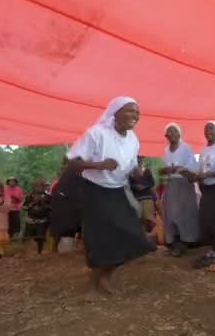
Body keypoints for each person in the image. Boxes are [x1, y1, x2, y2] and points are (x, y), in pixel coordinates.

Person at [66, 96, 156, 300]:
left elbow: (131, 166)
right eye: (129, 110)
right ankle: (91, 288)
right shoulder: (96, 133)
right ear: (114, 113)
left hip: (117, 190)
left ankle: (105, 277)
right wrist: (99, 165)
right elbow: (72, 163)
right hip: (95, 191)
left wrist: (137, 173)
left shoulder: (133, 139)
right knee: (100, 239)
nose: (134, 115)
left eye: (137, 112)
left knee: (134, 237)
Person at [183, 121, 215, 268]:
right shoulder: (203, 150)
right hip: (207, 189)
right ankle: (214, 250)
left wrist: (207, 175)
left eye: (211, 128)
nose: (208, 131)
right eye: (205, 129)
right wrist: (192, 175)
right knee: (206, 219)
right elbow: (200, 170)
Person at [159, 122, 201, 257]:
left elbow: (192, 168)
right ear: (166, 136)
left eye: (174, 131)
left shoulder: (185, 148)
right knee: (171, 213)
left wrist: (178, 169)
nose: (171, 134)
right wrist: (165, 170)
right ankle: (173, 240)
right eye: (169, 132)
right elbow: (163, 169)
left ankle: (186, 241)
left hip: (184, 184)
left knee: (184, 213)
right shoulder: (165, 150)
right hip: (172, 184)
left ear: (179, 134)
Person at [23, 179, 52, 255]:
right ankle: (27, 253)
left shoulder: (47, 197)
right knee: (28, 238)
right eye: (39, 186)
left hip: (42, 221)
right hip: (30, 221)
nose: (41, 188)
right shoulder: (29, 196)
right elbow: (24, 207)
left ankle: (40, 253)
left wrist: (43, 203)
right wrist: (33, 203)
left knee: (40, 238)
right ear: (34, 187)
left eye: (42, 186)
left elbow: (51, 208)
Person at [130, 156, 156, 233]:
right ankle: (142, 236)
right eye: (137, 158)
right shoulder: (130, 173)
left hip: (147, 197)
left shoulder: (147, 170)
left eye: (140, 158)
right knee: (138, 219)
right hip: (137, 198)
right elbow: (128, 184)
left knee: (149, 219)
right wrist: (135, 186)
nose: (138, 160)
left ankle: (150, 234)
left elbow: (152, 183)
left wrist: (145, 186)